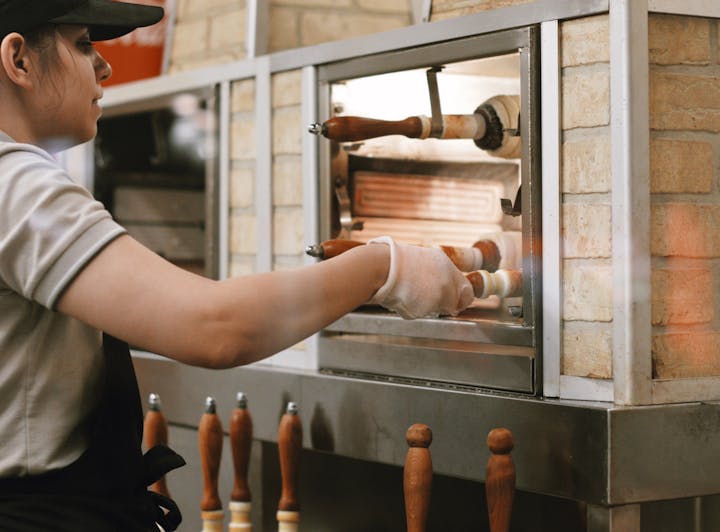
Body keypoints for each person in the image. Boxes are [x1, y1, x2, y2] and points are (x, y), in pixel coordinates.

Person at [0, 1, 475, 530]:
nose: (105, 66)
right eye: (84, 43)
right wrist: (387, 267)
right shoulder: (17, 187)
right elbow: (215, 327)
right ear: (18, 59)